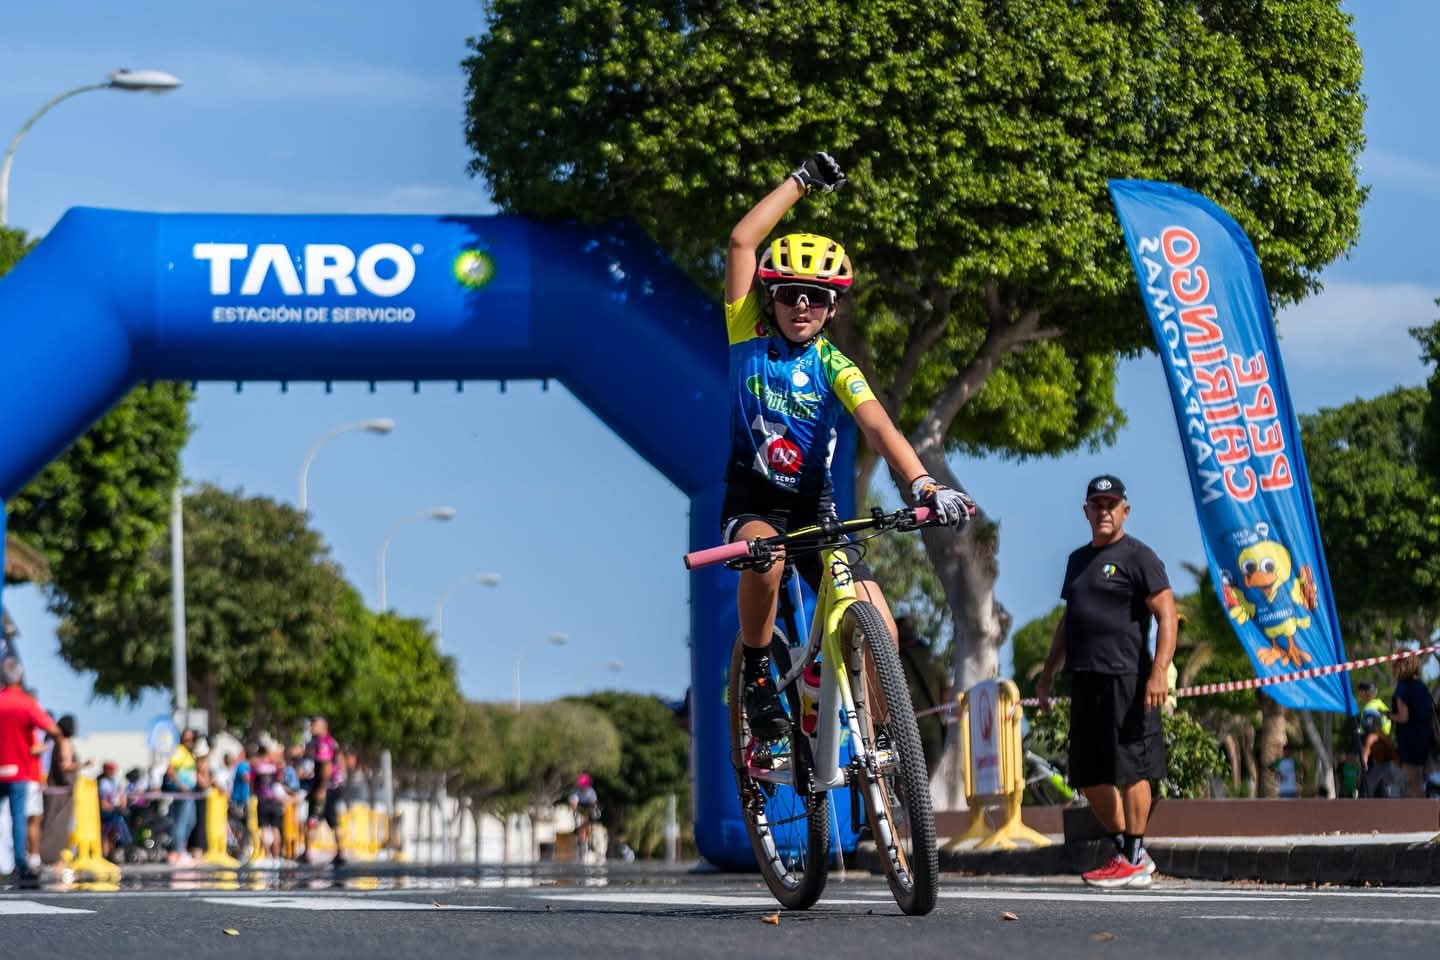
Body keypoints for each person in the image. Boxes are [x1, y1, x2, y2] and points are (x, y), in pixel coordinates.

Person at [721, 152, 976, 738]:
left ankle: (887, 753)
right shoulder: (746, 336)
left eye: (815, 296)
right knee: (768, 557)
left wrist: (923, 484)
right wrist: (802, 181)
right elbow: (741, 243)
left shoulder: (837, 365)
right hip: (755, 506)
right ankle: (759, 677)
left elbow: (882, 430)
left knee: (879, 623)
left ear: (833, 307)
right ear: (771, 299)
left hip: (817, 513)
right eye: (789, 294)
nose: (801, 305)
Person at [1035, 475, 1177, 889]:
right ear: (1086, 511)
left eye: (1111, 504)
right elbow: (1069, 619)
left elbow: (1167, 615)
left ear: (1124, 511)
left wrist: (1159, 672)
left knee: (1133, 768)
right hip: (1085, 681)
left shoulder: (1139, 557)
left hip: (1128, 679)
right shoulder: (1078, 561)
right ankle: (1129, 851)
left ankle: (1132, 855)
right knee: (1089, 775)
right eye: (1096, 505)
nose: (1103, 511)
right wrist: (1048, 672)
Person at [0, 658, 62, 887]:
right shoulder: (25, 703)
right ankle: (20, 863)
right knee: (19, 819)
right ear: (20, 676)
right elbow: (52, 728)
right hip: (19, 773)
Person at [895, 615, 949, 773]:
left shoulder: (896, 659)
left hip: (905, 732)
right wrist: (940, 715)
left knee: (906, 780)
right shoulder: (932, 656)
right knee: (932, 780)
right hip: (932, 730)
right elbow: (946, 689)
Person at [298, 716, 345, 868]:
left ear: (324, 726)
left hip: (325, 787)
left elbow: (326, 767)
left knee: (313, 819)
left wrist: (322, 788)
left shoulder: (323, 743)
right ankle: (340, 852)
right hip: (331, 786)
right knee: (333, 820)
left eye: (315, 724)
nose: (311, 727)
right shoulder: (329, 742)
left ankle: (308, 852)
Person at [1388, 654, 1433, 797]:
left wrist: (1388, 715)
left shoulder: (1403, 687)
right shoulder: (1421, 686)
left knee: (1412, 782)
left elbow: (1403, 717)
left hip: (1410, 741)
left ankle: (1421, 816)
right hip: (1426, 738)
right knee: (1426, 780)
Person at [165, 728, 200, 864]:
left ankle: (181, 850)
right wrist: (181, 786)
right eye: (187, 739)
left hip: (189, 793)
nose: (189, 742)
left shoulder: (188, 753)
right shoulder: (179, 751)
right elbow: (170, 769)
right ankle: (177, 852)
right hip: (183, 793)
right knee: (181, 822)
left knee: (191, 821)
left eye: (191, 739)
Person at [568, 773, 600, 861]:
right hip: (580, 811)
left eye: (585, 786)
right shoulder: (575, 792)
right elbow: (573, 803)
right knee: (577, 821)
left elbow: (594, 803)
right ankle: (578, 838)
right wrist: (575, 808)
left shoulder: (591, 791)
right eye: (582, 786)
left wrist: (592, 810)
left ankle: (591, 842)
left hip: (589, 811)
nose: (583, 788)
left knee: (592, 819)